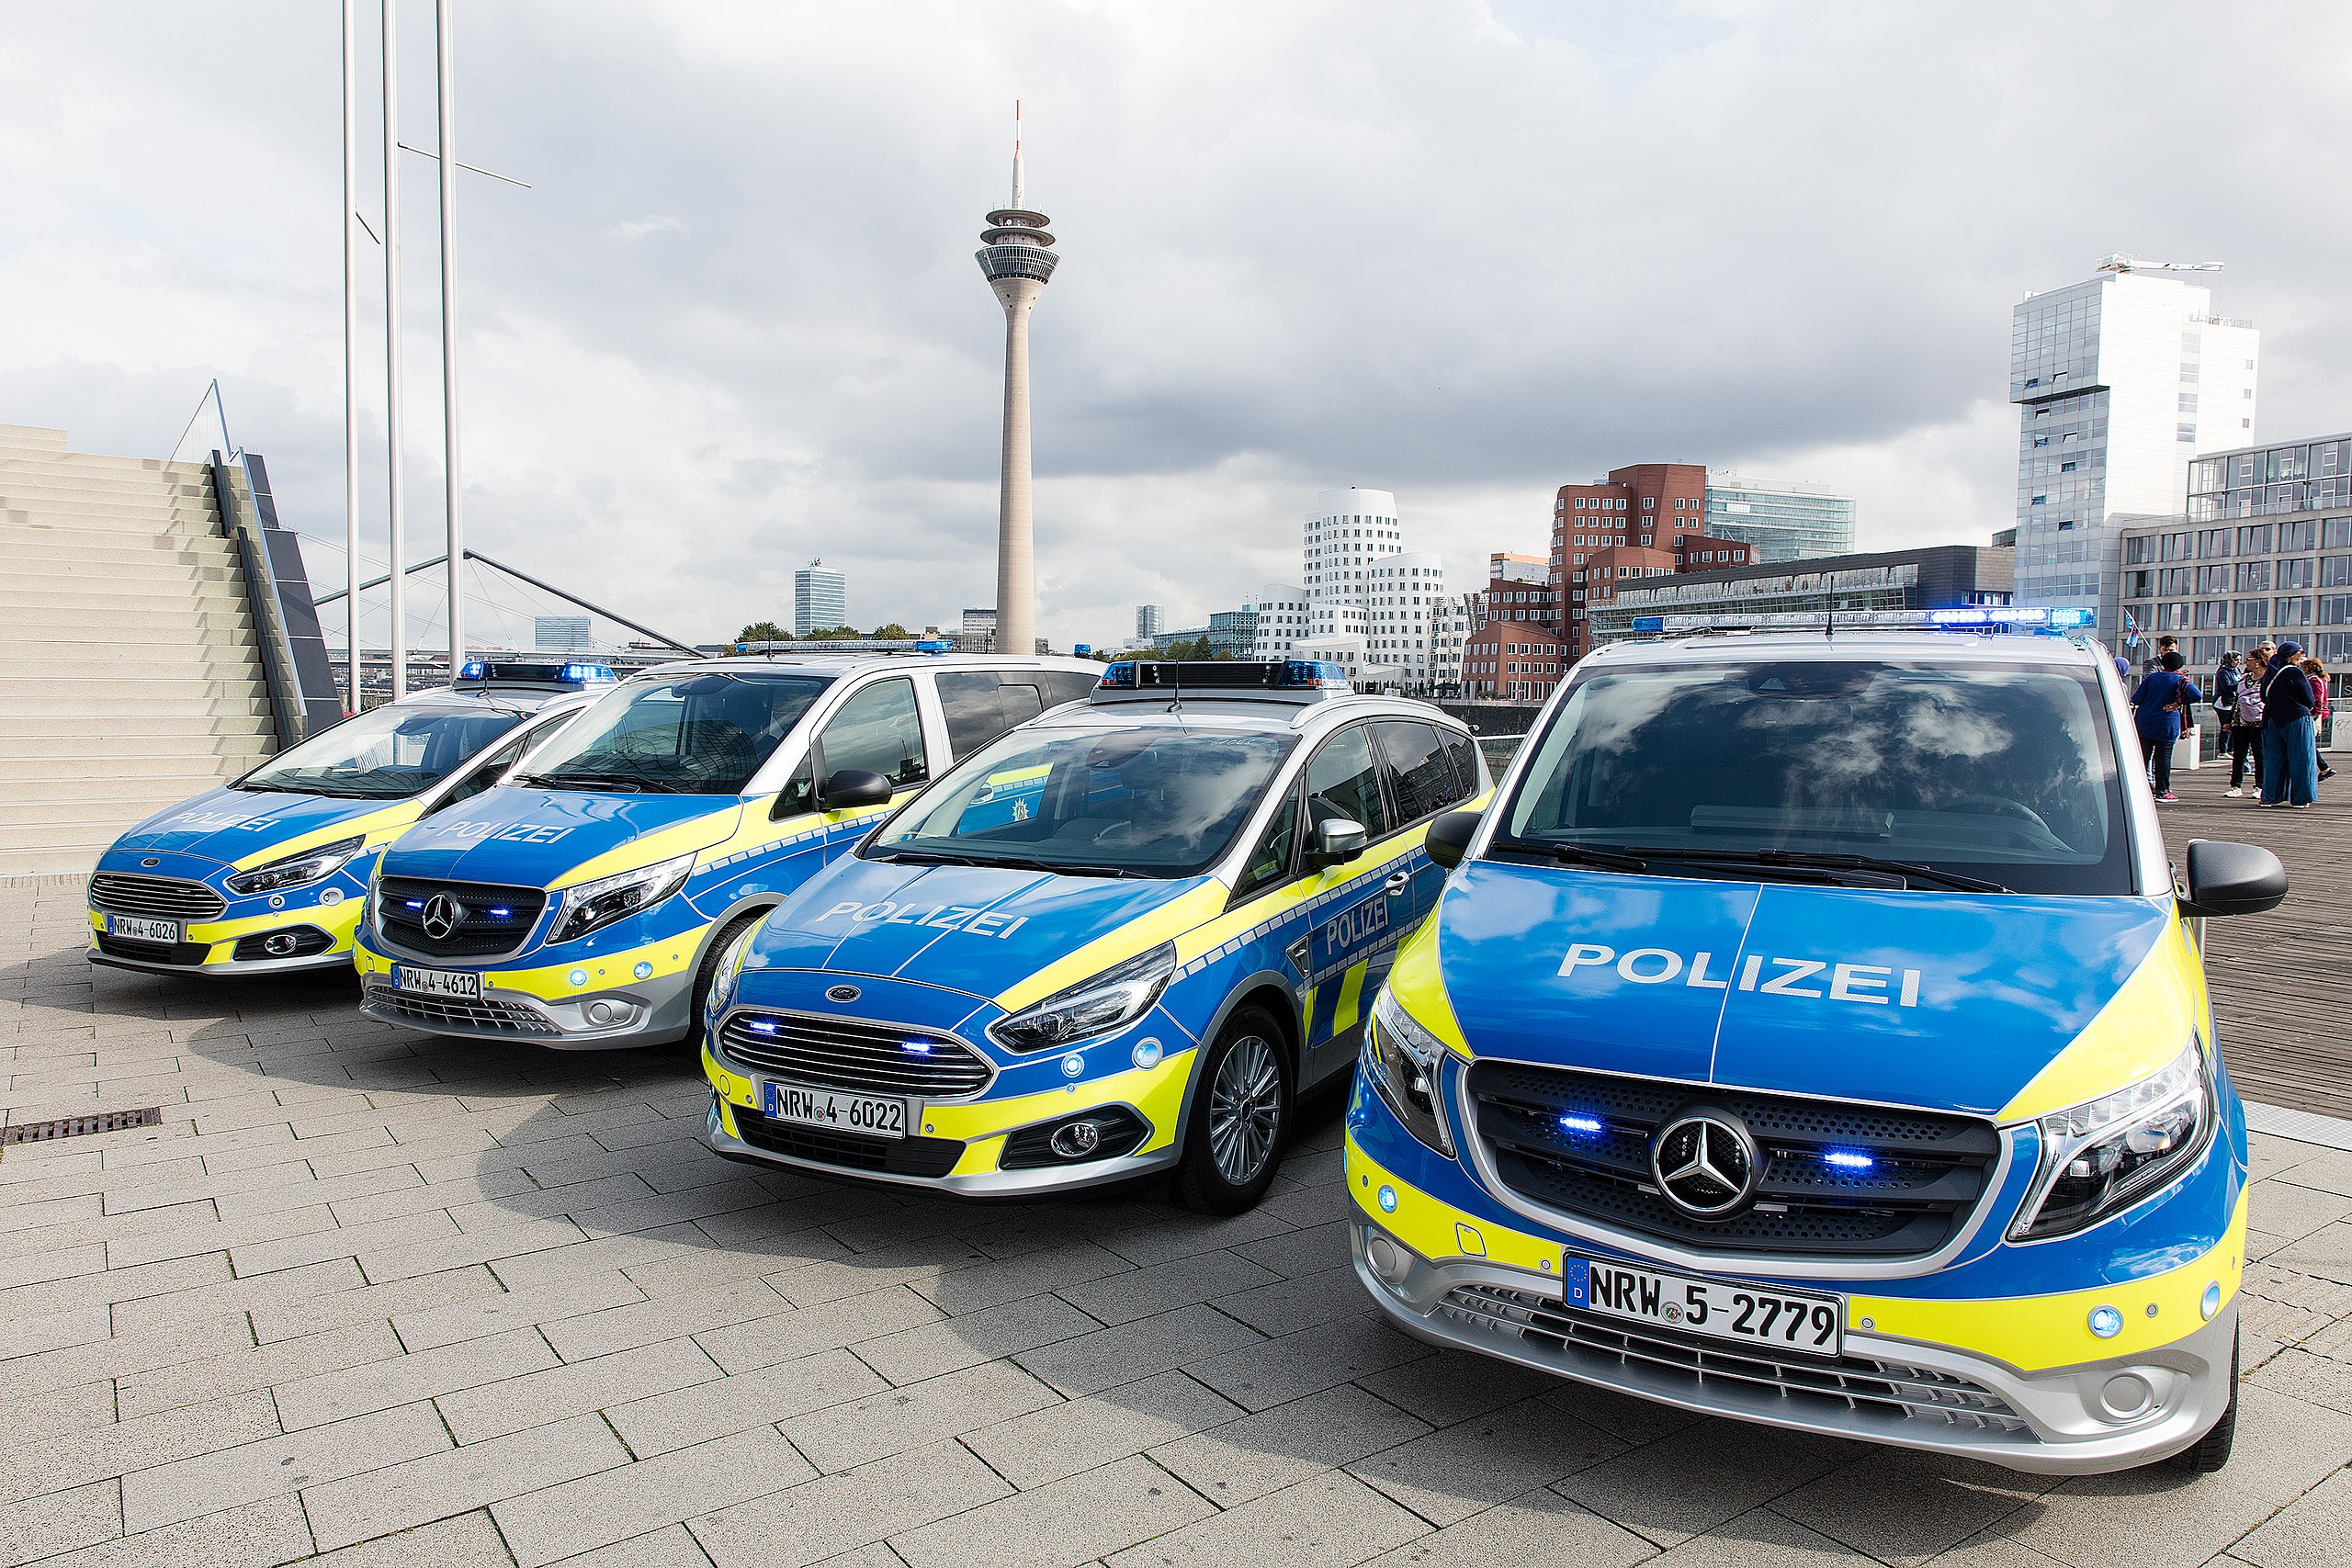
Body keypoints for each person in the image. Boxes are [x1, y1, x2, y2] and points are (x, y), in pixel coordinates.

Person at [2131, 651, 2202, 803]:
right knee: (2163, 758)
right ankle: (2162, 791)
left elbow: (2136, 698)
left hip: (2145, 721)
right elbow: (2197, 695)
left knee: (2143, 757)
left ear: (2163, 664)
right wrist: (2178, 703)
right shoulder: (2181, 680)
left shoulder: (2151, 677)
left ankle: (2137, 788)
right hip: (2167, 723)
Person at [2258, 639, 2319, 807]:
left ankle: (2270, 797)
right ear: (2293, 655)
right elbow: (2309, 700)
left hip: (2271, 720)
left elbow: (2264, 697)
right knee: (2301, 760)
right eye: (2301, 652)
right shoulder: (2295, 672)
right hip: (2295, 719)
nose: (2302, 656)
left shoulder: (2270, 672)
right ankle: (2300, 799)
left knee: (2273, 760)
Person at [2229, 649, 2267, 797]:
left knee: (2260, 754)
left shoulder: (2268, 679)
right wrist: (2229, 721)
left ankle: (2260, 786)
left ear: (2258, 662)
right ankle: (2235, 786)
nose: (2246, 661)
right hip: (2239, 721)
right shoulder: (2244, 678)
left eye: (2249, 658)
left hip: (2260, 722)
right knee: (2239, 754)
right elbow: (2237, 700)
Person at [2303, 656, 2335, 782]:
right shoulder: (2317, 679)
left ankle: (2324, 768)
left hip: (2315, 715)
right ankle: (2323, 768)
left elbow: (2318, 699)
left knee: (2308, 742)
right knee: (2308, 742)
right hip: (2317, 714)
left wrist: (2314, 715)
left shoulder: (2314, 681)